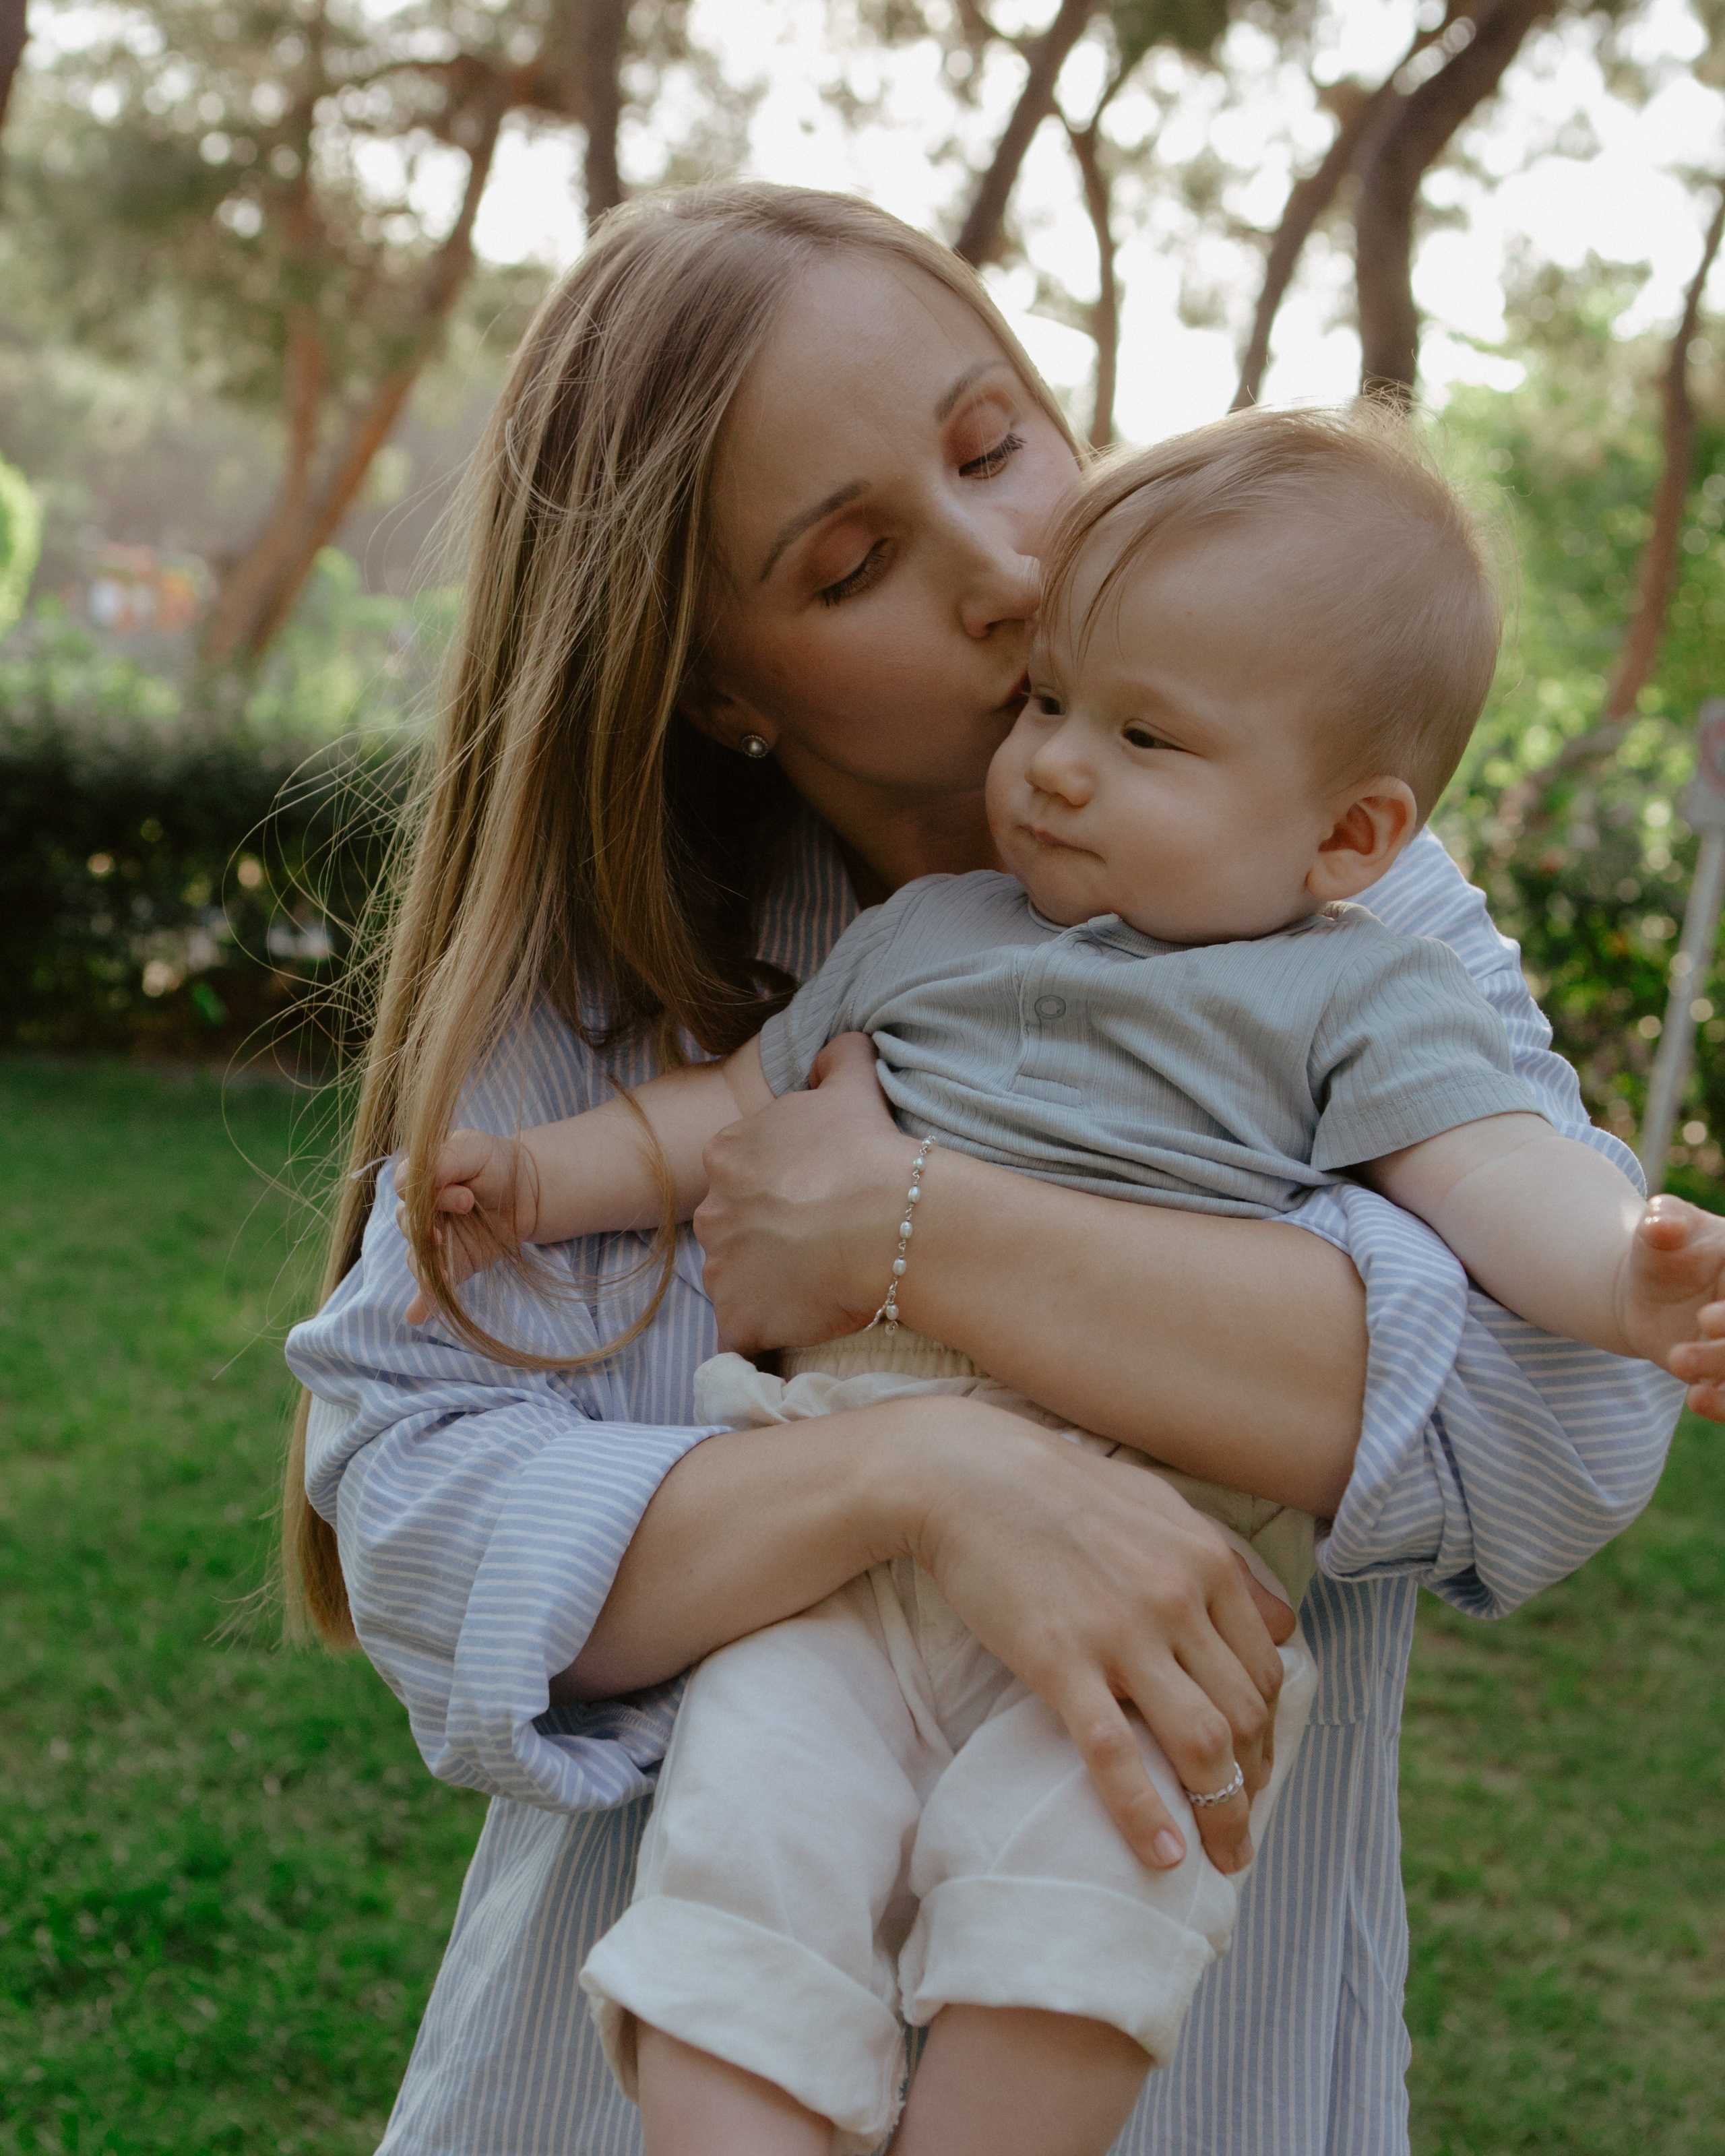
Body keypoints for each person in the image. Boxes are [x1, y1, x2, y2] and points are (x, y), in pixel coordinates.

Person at [284, 183, 1693, 2156]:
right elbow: (417, 1510)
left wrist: (898, 1235)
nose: (1009, 568)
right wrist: (917, 1476)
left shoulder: (1346, 912)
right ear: (717, 681)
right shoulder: (625, 968)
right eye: (855, 560)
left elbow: (1558, 1419)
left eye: (995, 444)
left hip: (1186, 2057)